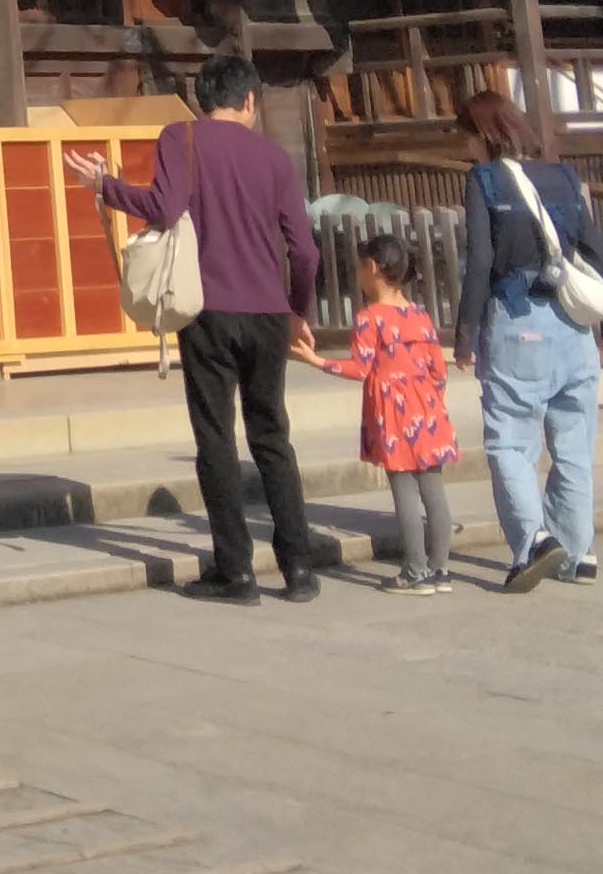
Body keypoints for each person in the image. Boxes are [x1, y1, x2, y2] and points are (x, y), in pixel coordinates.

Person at [64, 52, 323, 603]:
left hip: (207, 309)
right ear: (249, 99)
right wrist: (298, 310)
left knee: (216, 438)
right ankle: (299, 566)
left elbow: (162, 207)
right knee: (272, 435)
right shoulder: (275, 160)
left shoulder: (179, 137)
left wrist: (107, 185)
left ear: (203, 98)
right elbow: (304, 250)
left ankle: (237, 570)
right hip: (269, 311)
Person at [455, 91, 603, 594]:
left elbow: (481, 261)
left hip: (518, 320)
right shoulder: (565, 177)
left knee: (510, 442)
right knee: (573, 447)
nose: (463, 145)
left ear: (481, 133)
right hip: (575, 327)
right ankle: (580, 553)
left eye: (465, 133)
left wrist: (466, 333)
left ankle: (534, 543)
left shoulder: (485, 179)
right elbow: (596, 251)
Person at [298, 225, 460, 592]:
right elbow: (438, 369)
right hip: (428, 406)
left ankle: (415, 570)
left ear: (372, 267)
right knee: (433, 489)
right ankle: (441, 570)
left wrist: (316, 360)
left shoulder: (370, 317)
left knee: (403, 489)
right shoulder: (419, 314)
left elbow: (361, 367)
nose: (356, 273)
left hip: (394, 412)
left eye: (358, 266)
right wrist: (431, 403)